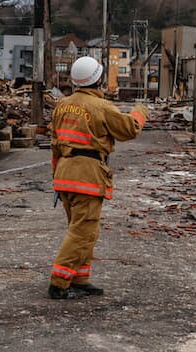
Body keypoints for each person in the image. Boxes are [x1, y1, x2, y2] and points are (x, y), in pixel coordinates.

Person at [48, 56, 149, 299]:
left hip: (65, 174)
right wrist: (140, 112)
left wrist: (57, 178)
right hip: (87, 176)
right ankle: (59, 283)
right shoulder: (101, 107)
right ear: (99, 79)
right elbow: (129, 129)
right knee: (82, 232)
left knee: (84, 230)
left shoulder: (62, 105)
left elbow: (54, 145)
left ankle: (79, 278)